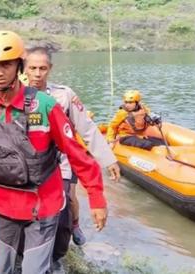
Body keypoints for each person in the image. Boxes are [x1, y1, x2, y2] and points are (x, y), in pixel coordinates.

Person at [0, 30, 107, 273]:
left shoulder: (45, 106)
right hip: (3, 205)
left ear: (19, 66)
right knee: (1, 268)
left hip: (42, 205)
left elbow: (76, 153)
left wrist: (97, 198)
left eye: (6, 64)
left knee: (34, 270)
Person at [24, 46, 120, 271]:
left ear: (50, 69)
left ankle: (59, 253)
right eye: (33, 68)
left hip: (62, 164)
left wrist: (108, 159)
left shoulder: (64, 95)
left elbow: (87, 128)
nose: (38, 74)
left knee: (64, 209)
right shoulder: (16, 94)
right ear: (24, 68)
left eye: (43, 68)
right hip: (28, 166)